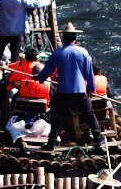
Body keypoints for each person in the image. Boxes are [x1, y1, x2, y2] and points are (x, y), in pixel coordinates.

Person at [36, 21, 105, 149]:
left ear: (64, 38)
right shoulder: (84, 53)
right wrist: (91, 89)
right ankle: (99, 141)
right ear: (75, 38)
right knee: (90, 116)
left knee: (57, 117)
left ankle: (51, 144)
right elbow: (89, 74)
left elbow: (47, 70)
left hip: (64, 92)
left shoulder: (58, 53)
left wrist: (39, 78)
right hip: (80, 92)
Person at [0, 0, 43, 65]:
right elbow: (35, 3)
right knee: (14, 56)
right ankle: (13, 76)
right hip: (15, 32)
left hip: (3, 31)